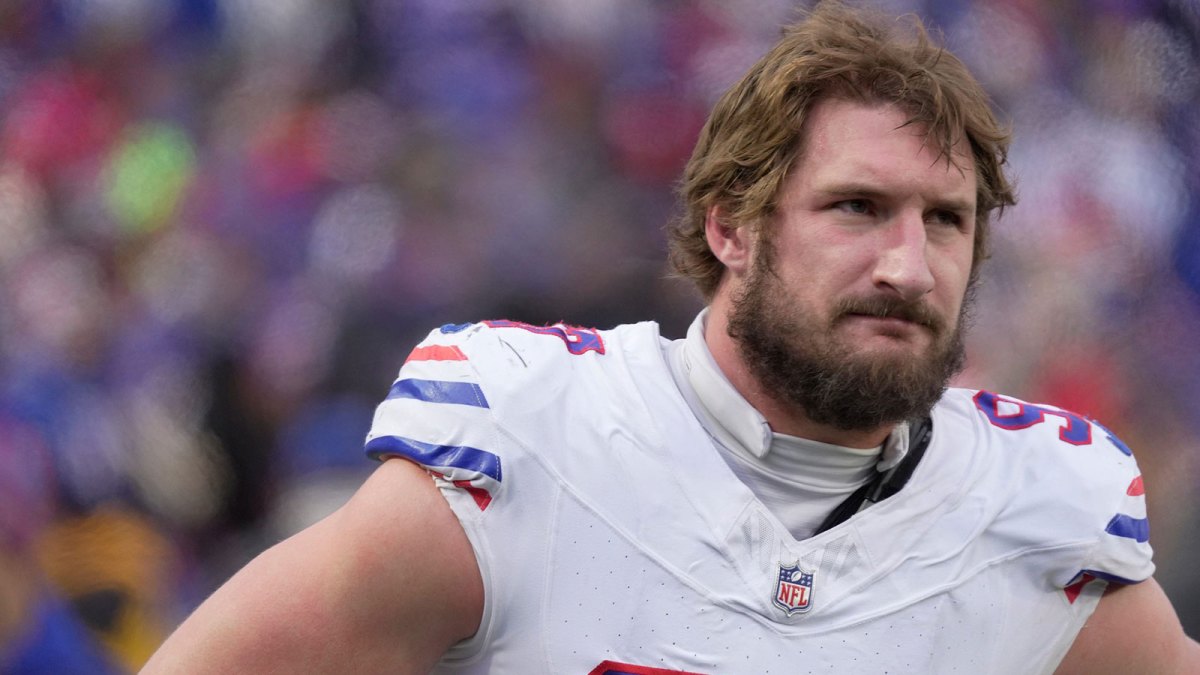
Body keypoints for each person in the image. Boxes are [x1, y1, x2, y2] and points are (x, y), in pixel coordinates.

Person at [143, 2, 1199, 673]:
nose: (909, 266)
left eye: (947, 220)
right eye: (856, 208)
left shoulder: (1035, 519)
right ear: (729, 225)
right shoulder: (532, 442)